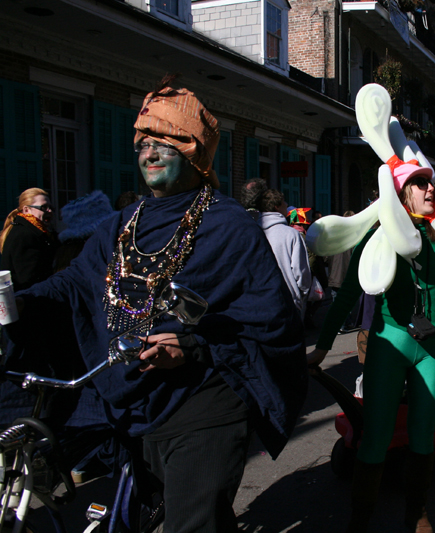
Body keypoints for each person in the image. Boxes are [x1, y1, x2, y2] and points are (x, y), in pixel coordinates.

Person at [6, 80, 307, 533]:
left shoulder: (229, 226)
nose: (149, 153)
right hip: (133, 409)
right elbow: (74, 284)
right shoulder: (121, 223)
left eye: (163, 144)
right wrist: (18, 304)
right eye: (144, 143)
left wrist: (193, 347)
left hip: (205, 407)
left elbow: (270, 324)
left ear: (193, 154)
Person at [307, 173, 435, 533]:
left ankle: (417, 512)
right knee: (377, 435)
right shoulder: (378, 235)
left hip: (433, 347)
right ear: (400, 193)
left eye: (432, 183)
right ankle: (360, 518)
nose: (431, 189)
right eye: (419, 183)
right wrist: (321, 347)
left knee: (421, 433)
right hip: (389, 342)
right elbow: (349, 293)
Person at [241, 181, 312, 315]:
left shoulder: (251, 231)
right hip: (287, 300)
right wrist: (300, 295)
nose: (287, 205)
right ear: (277, 206)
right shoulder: (291, 234)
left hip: (257, 301)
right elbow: (301, 272)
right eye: (284, 202)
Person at [0, 188, 59, 291]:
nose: (49, 211)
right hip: (29, 300)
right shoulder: (24, 234)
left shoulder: (38, 232)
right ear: (26, 210)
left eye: (51, 207)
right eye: (44, 207)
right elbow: (28, 279)